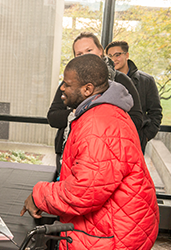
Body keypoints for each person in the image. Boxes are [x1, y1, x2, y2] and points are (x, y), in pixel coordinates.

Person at [21, 54, 159, 250]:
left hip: (114, 234)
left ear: (87, 89)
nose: (62, 88)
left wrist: (39, 195)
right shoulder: (101, 112)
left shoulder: (99, 124)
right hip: (117, 225)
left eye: (67, 84)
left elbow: (84, 191)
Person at [47, 32, 143, 181]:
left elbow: (136, 119)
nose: (85, 56)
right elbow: (52, 117)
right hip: (68, 152)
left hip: (110, 156)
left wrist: (98, 119)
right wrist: (78, 113)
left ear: (100, 51)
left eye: (89, 50)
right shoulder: (69, 84)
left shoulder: (120, 81)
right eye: (79, 53)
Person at [105, 41, 163, 154]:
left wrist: (144, 137)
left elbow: (155, 112)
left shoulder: (146, 80)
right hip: (110, 141)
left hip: (136, 140)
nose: (113, 59)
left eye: (117, 55)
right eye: (110, 56)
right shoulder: (105, 81)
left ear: (127, 55)